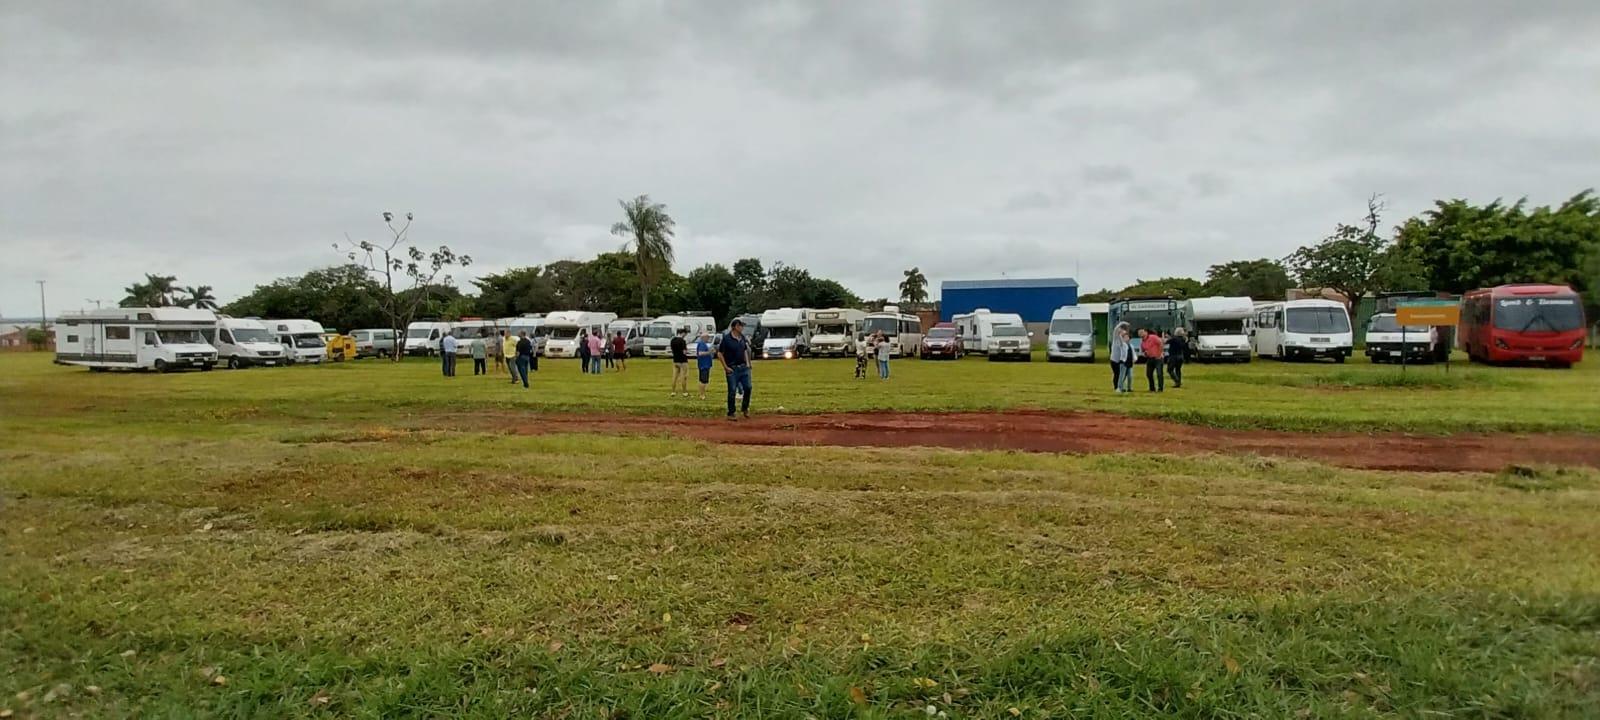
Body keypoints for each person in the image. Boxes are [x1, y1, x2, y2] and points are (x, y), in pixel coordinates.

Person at [720, 319, 753, 420]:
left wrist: (748, 363)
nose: (742, 328)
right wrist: (726, 367)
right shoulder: (726, 339)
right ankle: (731, 413)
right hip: (732, 368)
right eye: (740, 326)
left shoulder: (742, 337)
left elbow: (744, 350)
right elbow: (720, 353)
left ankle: (745, 408)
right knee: (732, 390)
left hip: (743, 367)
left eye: (742, 326)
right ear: (734, 327)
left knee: (748, 387)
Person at [1140, 328, 1164, 392]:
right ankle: (1152, 388)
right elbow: (1143, 350)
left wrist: (1160, 353)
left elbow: (1161, 343)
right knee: (1149, 374)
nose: (1140, 334)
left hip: (1158, 358)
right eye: (1139, 333)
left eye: (1142, 332)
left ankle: (1160, 388)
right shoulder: (1142, 342)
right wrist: (1145, 353)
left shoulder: (1153, 337)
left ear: (1146, 332)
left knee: (1159, 373)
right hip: (1150, 358)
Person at [1110, 322, 1132, 393]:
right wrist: (1124, 323)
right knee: (1117, 374)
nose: (1123, 333)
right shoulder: (1116, 338)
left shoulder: (1123, 341)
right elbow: (1116, 329)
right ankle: (1116, 387)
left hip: (1121, 360)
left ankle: (1120, 386)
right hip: (1114, 360)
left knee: (1122, 374)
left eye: (1123, 332)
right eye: (1121, 331)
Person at [669, 327, 690, 397]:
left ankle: (673, 391)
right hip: (683, 361)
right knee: (683, 376)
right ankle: (684, 392)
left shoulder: (672, 340)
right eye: (685, 334)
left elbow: (672, 350)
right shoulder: (682, 341)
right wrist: (687, 351)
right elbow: (684, 352)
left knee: (674, 376)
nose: (685, 336)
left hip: (675, 360)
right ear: (683, 333)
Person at [695, 330, 714, 400]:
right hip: (704, 365)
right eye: (707, 337)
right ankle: (702, 394)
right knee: (703, 380)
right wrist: (709, 352)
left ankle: (702, 393)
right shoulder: (702, 344)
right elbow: (700, 353)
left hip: (705, 364)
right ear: (704, 337)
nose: (708, 338)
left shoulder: (703, 343)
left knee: (703, 380)